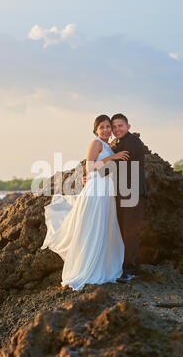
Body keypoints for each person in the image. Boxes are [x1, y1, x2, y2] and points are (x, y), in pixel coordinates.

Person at [40, 115, 130, 291]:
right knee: (93, 226)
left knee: (103, 227)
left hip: (105, 189)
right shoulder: (96, 143)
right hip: (96, 189)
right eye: (101, 127)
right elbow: (90, 167)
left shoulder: (107, 146)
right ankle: (87, 269)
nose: (105, 130)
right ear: (96, 130)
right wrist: (114, 157)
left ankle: (101, 267)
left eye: (107, 127)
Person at [110, 113, 148, 282]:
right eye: (114, 127)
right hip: (122, 192)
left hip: (133, 192)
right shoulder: (119, 144)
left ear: (128, 127)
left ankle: (130, 270)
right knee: (123, 230)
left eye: (120, 125)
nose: (117, 129)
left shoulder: (132, 142)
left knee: (130, 232)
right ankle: (125, 266)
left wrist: (96, 170)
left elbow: (117, 165)